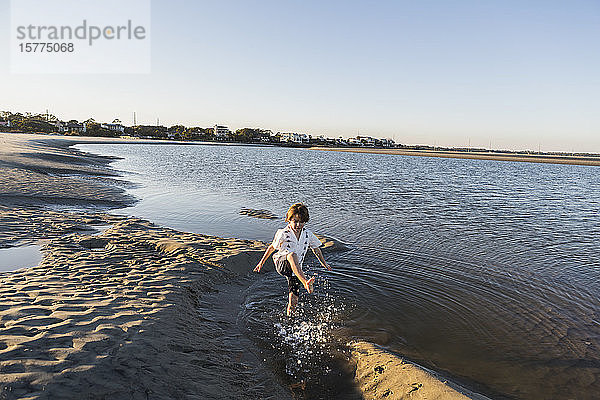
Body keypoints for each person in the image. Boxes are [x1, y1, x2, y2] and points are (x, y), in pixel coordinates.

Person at [254, 203, 331, 316]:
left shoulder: (308, 234)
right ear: (289, 220)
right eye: (295, 221)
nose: (298, 224)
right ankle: (306, 282)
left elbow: (316, 249)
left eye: (301, 221)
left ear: (305, 221)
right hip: (282, 263)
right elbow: (271, 248)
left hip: (296, 270)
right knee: (292, 255)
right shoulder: (283, 233)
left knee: (294, 300)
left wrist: (324, 264)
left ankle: (290, 318)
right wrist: (261, 263)